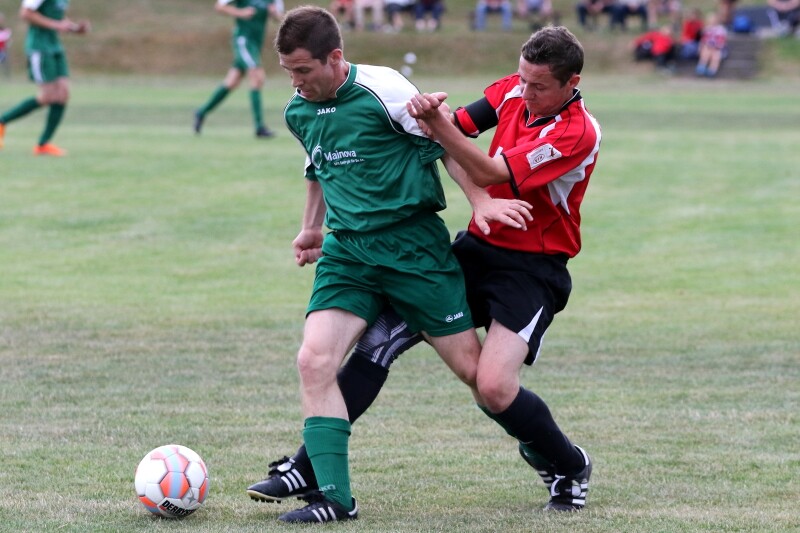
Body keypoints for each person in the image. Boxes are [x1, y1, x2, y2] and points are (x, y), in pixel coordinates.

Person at [249, 25, 600, 515]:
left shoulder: (576, 131)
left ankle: (567, 464)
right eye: (522, 79)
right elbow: (456, 126)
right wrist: (430, 116)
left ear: (571, 82)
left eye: (538, 86)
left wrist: (439, 130)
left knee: (492, 386)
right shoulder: (511, 91)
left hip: (532, 267)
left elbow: (488, 170)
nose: (525, 91)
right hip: (477, 249)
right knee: (376, 341)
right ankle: (313, 468)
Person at [255, 5, 507, 523]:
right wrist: (312, 228)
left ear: (335, 58)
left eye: (303, 70)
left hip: (413, 250)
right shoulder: (298, 110)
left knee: (478, 375)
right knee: (314, 361)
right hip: (348, 253)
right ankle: (334, 498)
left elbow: (443, 140)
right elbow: (318, 165)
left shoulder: (383, 89)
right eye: (288, 72)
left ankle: (558, 458)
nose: (296, 82)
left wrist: (480, 200)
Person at [0, 0, 89, 156]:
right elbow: (26, 13)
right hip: (39, 48)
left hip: (55, 46)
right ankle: (2, 121)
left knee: (62, 95)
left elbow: (56, 18)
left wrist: (74, 28)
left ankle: (43, 144)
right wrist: (56, 25)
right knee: (48, 96)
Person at [193, 0, 282, 139]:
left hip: (256, 43)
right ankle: (259, 127)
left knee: (231, 82)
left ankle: (201, 112)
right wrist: (240, 12)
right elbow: (219, 6)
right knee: (257, 77)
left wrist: (274, 13)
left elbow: (280, 17)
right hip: (243, 41)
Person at [695, 12, 727, 77]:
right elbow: (703, 39)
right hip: (707, 46)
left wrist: (716, 46)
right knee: (705, 52)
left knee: (716, 56)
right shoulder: (706, 29)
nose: (712, 21)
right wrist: (701, 47)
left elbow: (722, 40)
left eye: (714, 19)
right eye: (711, 20)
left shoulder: (721, 29)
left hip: (717, 48)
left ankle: (712, 70)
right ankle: (701, 67)